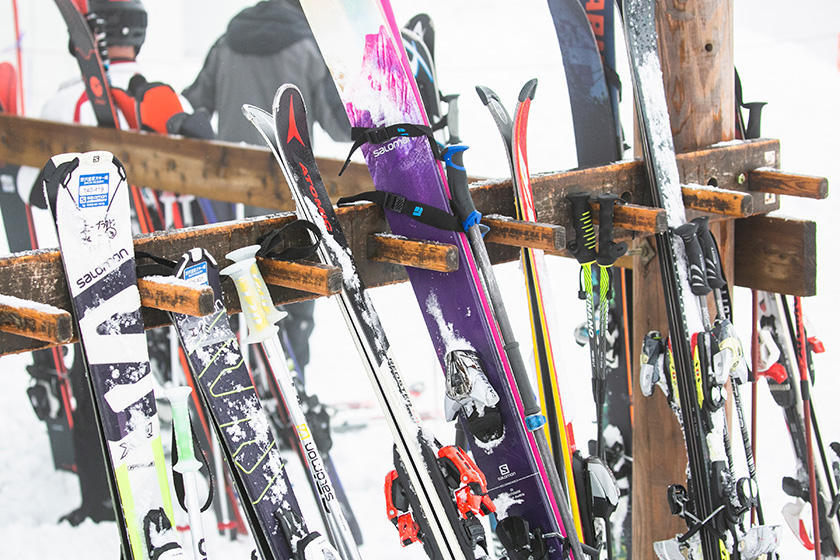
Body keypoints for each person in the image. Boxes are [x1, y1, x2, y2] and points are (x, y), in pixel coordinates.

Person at [33, 0, 212, 527]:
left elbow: (32, 192)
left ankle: (105, 495)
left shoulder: (63, 103)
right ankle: (189, 479)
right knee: (166, 370)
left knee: (103, 371)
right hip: (163, 263)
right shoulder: (165, 95)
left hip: (82, 271)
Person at [183, 0, 351, 381]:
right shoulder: (308, 46)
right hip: (288, 195)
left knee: (235, 294)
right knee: (294, 291)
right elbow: (342, 128)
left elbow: (191, 103)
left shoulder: (228, 41)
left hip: (229, 200)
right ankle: (292, 384)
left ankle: (240, 382)